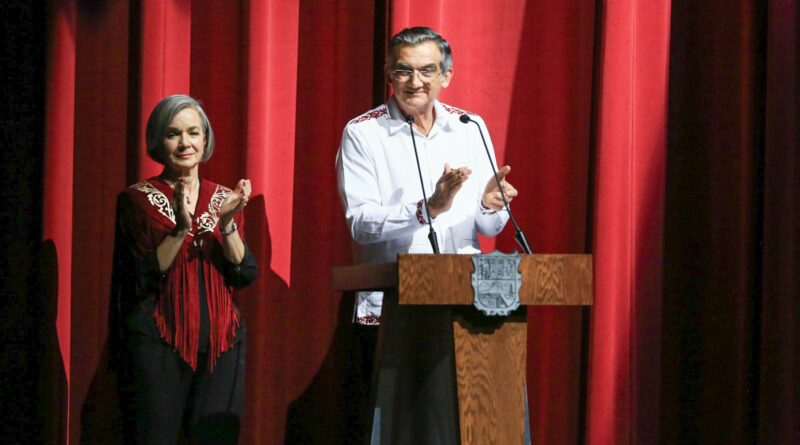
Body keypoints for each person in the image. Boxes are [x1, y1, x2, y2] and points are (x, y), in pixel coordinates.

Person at [335, 26, 519, 442]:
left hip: (468, 301)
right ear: (389, 73)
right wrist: (427, 209)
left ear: (446, 76)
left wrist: (490, 205)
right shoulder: (363, 133)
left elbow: (486, 228)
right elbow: (360, 223)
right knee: (402, 429)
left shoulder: (469, 126)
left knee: (470, 422)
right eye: (404, 70)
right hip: (396, 305)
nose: (415, 81)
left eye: (427, 70)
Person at [110, 94, 258, 445]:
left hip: (222, 346)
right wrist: (180, 229)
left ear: (205, 140)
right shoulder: (137, 200)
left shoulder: (223, 198)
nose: (185, 143)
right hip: (158, 344)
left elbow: (243, 273)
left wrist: (227, 223)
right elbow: (140, 277)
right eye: (173, 134)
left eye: (193, 132)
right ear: (158, 142)